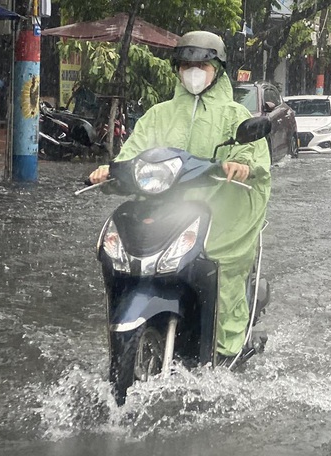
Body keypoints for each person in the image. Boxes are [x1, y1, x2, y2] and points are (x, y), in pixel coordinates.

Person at [88, 31, 271, 360]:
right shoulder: (159, 114)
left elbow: (252, 154)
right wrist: (110, 170)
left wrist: (242, 166)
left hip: (218, 214)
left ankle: (229, 346)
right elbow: (134, 152)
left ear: (217, 69)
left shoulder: (235, 115)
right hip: (166, 211)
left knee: (223, 271)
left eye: (202, 64)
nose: (194, 71)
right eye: (186, 65)